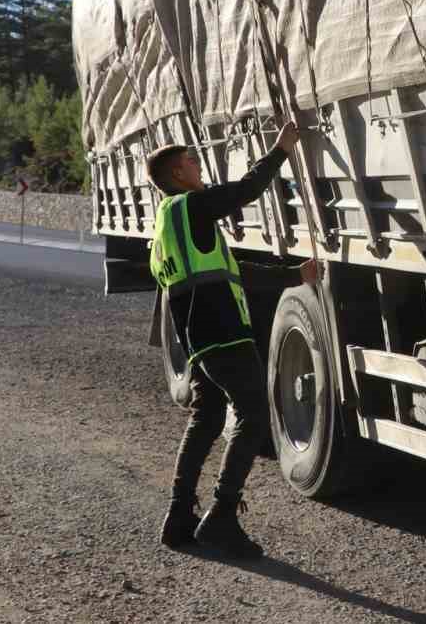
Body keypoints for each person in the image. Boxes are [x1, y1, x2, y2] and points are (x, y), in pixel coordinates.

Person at [145, 120, 320, 557]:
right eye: (190, 161)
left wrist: (291, 276)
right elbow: (246, 189)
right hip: (222, 332)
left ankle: (179, 514)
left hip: (198, 338)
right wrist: (280, 149)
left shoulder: (168, 224)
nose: (197, 164)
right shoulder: (192, 207)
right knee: (254, 414)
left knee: (206, 417)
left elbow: (230, 270)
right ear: (177, 175)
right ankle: (221, 516)